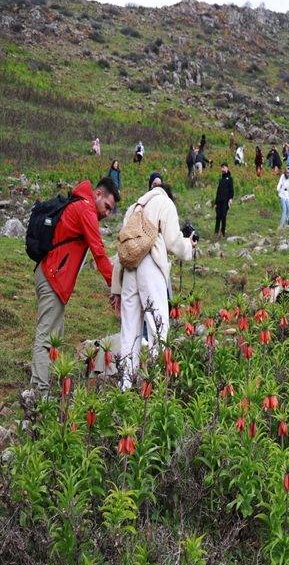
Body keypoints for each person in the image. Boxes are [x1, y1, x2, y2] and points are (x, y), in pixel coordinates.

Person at [28, 178, 120, 396]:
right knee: (46, 335)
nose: (107, 213)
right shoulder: (85, 209)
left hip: (53, 277)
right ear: (98, 194)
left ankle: (47, 386)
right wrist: (114, 287)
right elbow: (98, 251)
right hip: (53, 277)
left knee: (54, 334)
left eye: (110, 210)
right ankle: (39, 391)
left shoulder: (81, 205)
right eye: (107, 206)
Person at [110, 183, 196, 390]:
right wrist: (189, 246)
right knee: (158, 324)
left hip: (130, 268)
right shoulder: (164, 203)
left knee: (129, 328)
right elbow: (173, 241)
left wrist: (116, 288)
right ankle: (156, 382)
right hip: (150, 264)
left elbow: (122, 248)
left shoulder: (133, 208)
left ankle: (126, 384)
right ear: (169, 193)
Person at [213, 162, 234, 237]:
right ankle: (216, 232)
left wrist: (230, 199)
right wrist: (215, 202)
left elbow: (231, 190)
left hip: (226, 201)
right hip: (219, 201)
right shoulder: (221, 179)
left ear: (227, 168)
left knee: (223, 215)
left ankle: (223, 232)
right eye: (222, 168)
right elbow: (218, 191)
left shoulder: (230, 179)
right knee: (218, 216)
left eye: (224, 167)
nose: (223, 169)